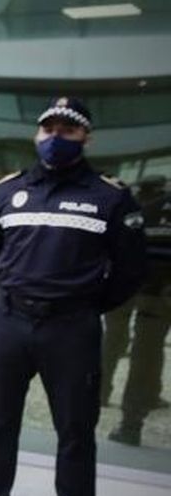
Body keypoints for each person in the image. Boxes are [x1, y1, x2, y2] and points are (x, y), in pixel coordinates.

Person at [0, 96, 147, 496]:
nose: (56, 138)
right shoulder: (6, 192)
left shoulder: (110, 196)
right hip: (11, 319)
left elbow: (132, 270)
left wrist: (87, 303)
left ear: (86, 138)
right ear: (37, 135)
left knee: (75, 429)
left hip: (71, 326)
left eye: (68, 130)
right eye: (49, 129)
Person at [108, 175, 168, 446]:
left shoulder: (148, 212)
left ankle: (131, 425)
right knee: (144, 356)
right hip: (151, 294)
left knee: (144, 357)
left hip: (151, 293)